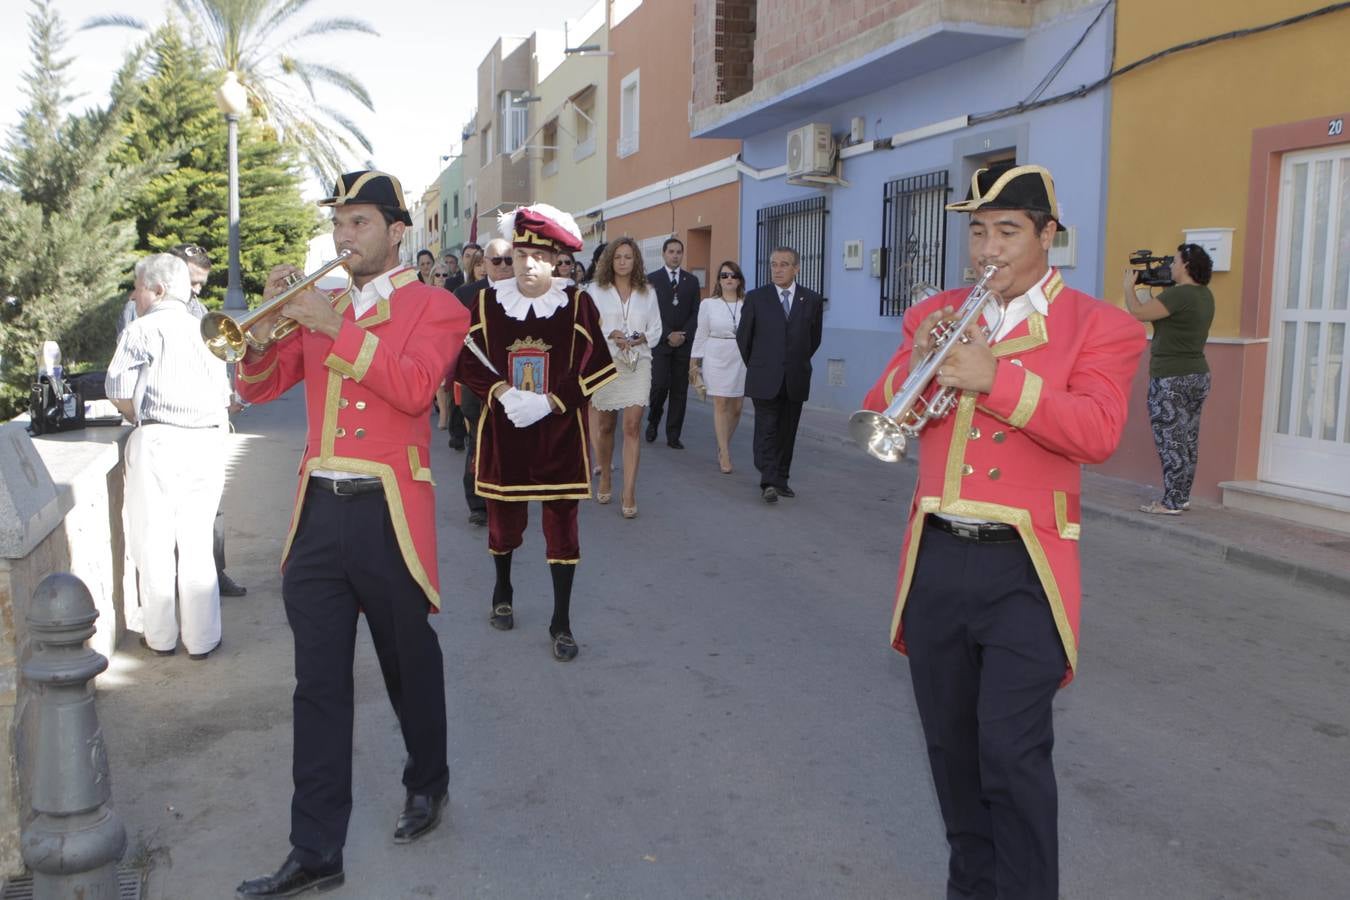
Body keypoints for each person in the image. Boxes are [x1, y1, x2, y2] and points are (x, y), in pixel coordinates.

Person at [861, 162, 1146, 899]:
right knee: (952, 751)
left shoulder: (1100, 326)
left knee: (1011, 753)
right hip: (937, 557)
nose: (989, 248)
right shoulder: (936, 313)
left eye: (1008, 231)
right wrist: (919, 365)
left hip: (1027, 567)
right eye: (979, 231)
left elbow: (1098, 431)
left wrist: (998, 379)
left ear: (1048, 235)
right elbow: (886, 400)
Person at [232, 170, 470, 899]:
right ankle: (316, 849)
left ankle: (427, 781)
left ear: (399, 231)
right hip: (318, 512)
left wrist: (330, 326)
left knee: (407, 663)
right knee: (318, 686)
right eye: (339, 223)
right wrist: (268, 329)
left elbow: (412, 389)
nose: (344, 237)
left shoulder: (437, 306)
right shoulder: (319, 304)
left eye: (360, 222)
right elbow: (259, 388)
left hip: (389, 509)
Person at [454, 204, 616, 662]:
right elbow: (467, 359)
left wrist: (551, 401)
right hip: (504, 431)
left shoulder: (577, 304)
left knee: (562, 529)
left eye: (538, 256)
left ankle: (561, 620)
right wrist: (503, 393)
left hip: (558, 432)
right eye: (520, 253)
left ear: (556, 260)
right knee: (504, 525)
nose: (527, 264)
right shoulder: (487, 302)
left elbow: (595, 363)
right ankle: (502, 588)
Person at [105, 253, 231, 659]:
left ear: (157, 289)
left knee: (154, 540)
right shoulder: (208, 329)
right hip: (208, 440)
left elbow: (119, 390)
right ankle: (203, 637)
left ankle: (160, 637)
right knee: (196, 541)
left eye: (139, 287)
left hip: (159, 439)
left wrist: (134, 414)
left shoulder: (142, 329)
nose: (135, 295)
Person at [162, 242, 249, 598]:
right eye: (192, 281)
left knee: (212, 507)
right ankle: (171, 585)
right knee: (166, 516)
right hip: (166, 426)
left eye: (201, 282)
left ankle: (216, 572)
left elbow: (215, 359)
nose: (197, 290)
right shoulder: (140, 310)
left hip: (205, 422)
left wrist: (228, 395)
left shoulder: (199, 310)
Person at [1122, 243, 1216, 515]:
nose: (1170, 266)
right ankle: (1181, 496)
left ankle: (1170, 503)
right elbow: (1167, 317)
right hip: (1197, 374)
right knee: (1187, 440)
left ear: (1186, 265)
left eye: (1175, 262)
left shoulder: (1179, 295)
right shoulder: (1203, 294)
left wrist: (1130, 287)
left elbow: (1138, 313)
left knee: (1170, 440)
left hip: (1171, 377)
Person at [736, 246, 824, 503]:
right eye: (774, 264)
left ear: (796, 268)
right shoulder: (756, 298)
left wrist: (795, 361)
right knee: (767, 428)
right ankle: (768, 481)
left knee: (788, 430)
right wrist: (759, 364)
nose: (777, 269)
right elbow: (744, 338)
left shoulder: (811, 300)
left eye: (784, 264)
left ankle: (782, 479)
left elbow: (813, 339)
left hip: (795, 376)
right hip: (765, 375)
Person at [587, 238, 663, 518]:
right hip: (606, 362)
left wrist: (642, 336)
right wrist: (610, 333)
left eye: (628, 257)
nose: (622, 261)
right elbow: (588, 325)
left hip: (638, 362)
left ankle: (629, 491)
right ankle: (605, 474)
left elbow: (656, 327)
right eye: (617, 257)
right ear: (609, 260)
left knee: (632, 426)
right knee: (606, 426)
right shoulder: (594, 290)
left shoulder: (648, 292)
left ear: (636, 261)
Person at [453, 240, 514, 526]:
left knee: (510, 441)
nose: (503, 266)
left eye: (508, 260)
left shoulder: (525, 293)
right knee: (479, 440)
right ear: (484, 263)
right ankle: (478, 503)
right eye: (496, 260)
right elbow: (452, 337)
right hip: (476, 383)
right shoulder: (466, 293)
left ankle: (506, 496)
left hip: (515, 381)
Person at [690, 260, 748, 474]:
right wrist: (694, 363)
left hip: (740, 356)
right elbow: (701, 332)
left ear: (739, 279)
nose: (729, 279)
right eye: (724, 275)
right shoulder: (709, 304)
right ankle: (724, 452)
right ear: (719, 280)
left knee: (737, 407)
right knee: (721, 402)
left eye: (733, 275)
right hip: (716, 353)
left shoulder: (747, 303)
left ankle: (724, 442)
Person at [645, 237, 700, 449]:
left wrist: (683, 334)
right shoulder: (652, 280)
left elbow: (696, 311)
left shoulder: (691, 281)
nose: (675, 255)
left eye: (679, 252)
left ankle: (673, 435)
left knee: (679, 390)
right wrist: (668, 334)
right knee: (659, 385)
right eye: (671, 252)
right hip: (660, 342)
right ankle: (653, 419)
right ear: (663, 254)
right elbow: (650, 313)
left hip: (683, 344)